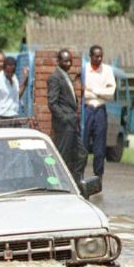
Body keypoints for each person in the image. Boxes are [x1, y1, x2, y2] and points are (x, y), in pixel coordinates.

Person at [48, 49, 86, 182]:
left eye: (70, 60)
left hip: (72, 124)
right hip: (64, 125)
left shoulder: (65, 75)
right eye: (66, 60)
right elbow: (52, 103)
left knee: (81, 155)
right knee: (62, 157)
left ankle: (75, 184)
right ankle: (57, 183)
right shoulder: (55, 77)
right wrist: (64, 118)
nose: (69, 63)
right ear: (58, 61)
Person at [83, 45, 116, 179]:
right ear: (90, 56)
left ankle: (98, 176)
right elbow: (82, 93)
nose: (99, 59)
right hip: (87, 109)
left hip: (100, 111)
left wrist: (94, 91)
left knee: (99, 147)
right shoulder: (84, 69)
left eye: (101, 56)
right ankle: (80, 175)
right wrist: (98, 93)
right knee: (83, 144)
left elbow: (111, 92)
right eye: (96, 56)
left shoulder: (107, 70)